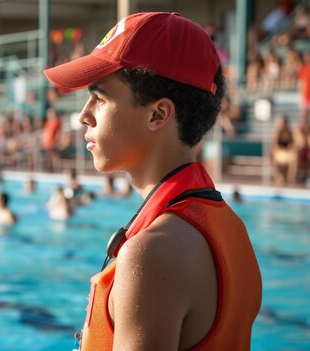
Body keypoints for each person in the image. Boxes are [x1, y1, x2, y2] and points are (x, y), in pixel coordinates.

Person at [44, 12, 261, 350]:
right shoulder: (231, 228)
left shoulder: (152, 255)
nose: (82, 115)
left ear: (158, 114)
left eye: (99, 98)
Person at [271, 114, 297, 186]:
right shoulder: (277, 132)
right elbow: (275, 145)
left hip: (288, 152)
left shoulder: (290, 132)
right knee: (275, 157)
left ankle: (291, 179)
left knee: (294, 158)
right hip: (280, 152)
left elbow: (293, 143)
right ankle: (279, 177)